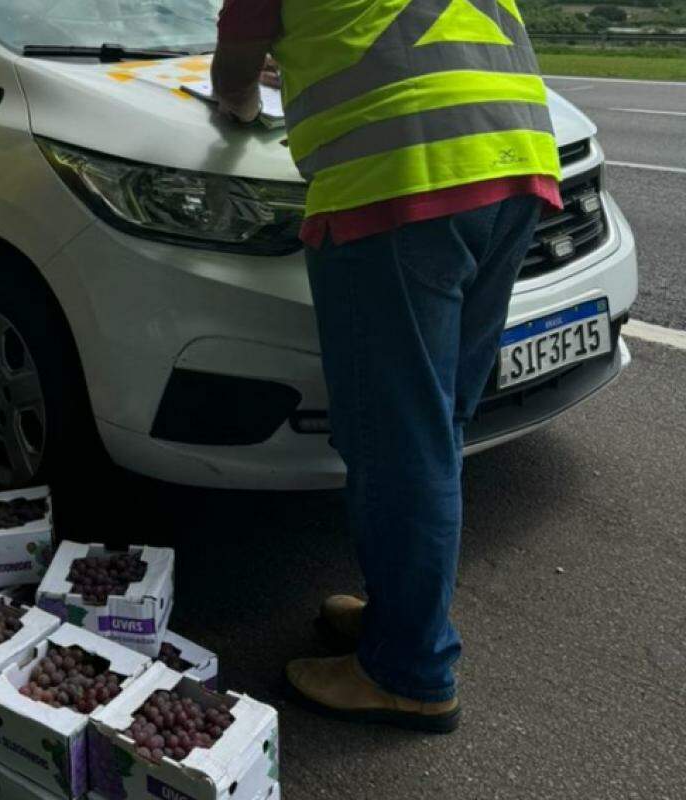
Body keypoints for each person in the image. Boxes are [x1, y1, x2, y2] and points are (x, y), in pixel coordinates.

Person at [212, 0, 562, 732]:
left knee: (400, 440)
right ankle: (399, 615)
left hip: (405, 180)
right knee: (434, 424)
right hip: (517, 166)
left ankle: (409, 672)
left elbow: (235, 63)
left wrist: (240, 99)